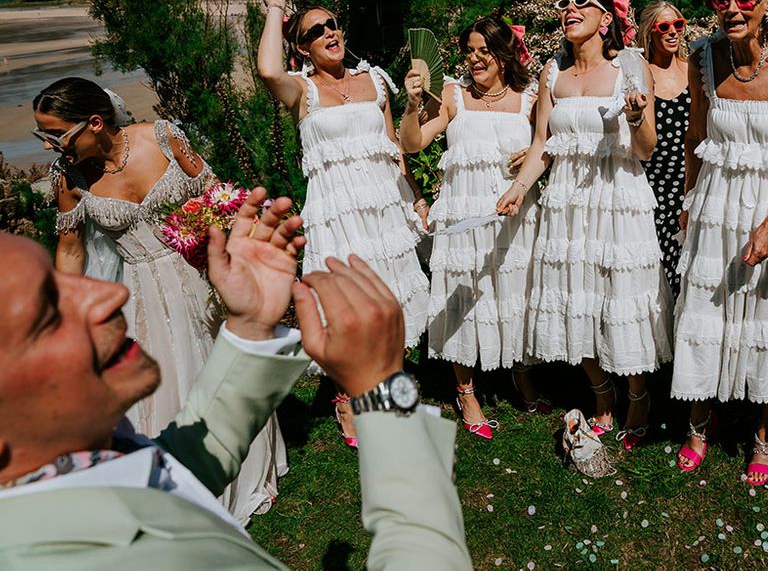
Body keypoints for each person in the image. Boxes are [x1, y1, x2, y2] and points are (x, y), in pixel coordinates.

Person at [0, 189, 473, 571]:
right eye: (48, 313)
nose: (110, 294)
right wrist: (385, 389)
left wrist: (250, 325)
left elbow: (170, 473)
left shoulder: (63, 480)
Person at [31, 77, 285, 522]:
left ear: (94, 123)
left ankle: (243, 465)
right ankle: (183, 482)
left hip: (201, 275)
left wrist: (224, 244)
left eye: (57, 134)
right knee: (168, 380)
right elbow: (71, 250)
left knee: (220, 367)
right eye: (43, 136)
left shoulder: (164, 138)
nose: (52, 146)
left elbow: (216, 195)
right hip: (143, 293)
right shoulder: (68, 179)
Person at [496, 0, 673, 451]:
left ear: (605, 18)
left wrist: (636, 120)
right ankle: (601, 392)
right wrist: (517, 188)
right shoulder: (552, 73)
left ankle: (638, 395)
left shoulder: (630, 67)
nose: (568, 9)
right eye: (563, 4)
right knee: (575, 296)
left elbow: (645, 149)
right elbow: (541, 146)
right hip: (568, 206)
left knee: (620, 297)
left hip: (617, 199)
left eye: (581, 3)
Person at [257, 0, 430, 446]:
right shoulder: (301, 89)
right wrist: (276, 8)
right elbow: (267, 70)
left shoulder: (374, 79)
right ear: (303, 47)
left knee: (388, 298)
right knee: (345, 308)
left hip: (383, 208)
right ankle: (345, 398)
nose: (329, 33)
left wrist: (414, 197)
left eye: (332, 24)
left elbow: (395, 149)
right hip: (336, 211)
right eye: (315, 31)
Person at [399, 17, 548, 439]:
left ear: (504, 53)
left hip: (511, 212)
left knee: (514, 290)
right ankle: (465, 390)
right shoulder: (452, 95)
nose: (475, 58)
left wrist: (538, 153)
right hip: (463, 212)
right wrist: (412, 106)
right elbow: (412, 143)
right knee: (461, 293)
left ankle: (520, 373)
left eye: (484, 50)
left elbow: (550, 142)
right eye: (469, 50)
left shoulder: (530, 97)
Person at [673, 0, 768, 485]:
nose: (732, 8)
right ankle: (697, 423)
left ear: (764, 6)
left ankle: (762, 437)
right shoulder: (703, 56)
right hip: (715, 203)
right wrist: (689, 203)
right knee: (706, 310)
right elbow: (694, 136)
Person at [636, 1, 690, 297]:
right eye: (664, 27)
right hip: (654, 183)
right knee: (662, 265)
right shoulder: (643, 74)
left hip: (692, 179)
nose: (673, 32)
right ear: (650, 32)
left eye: (678, 25)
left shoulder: (694, 67)